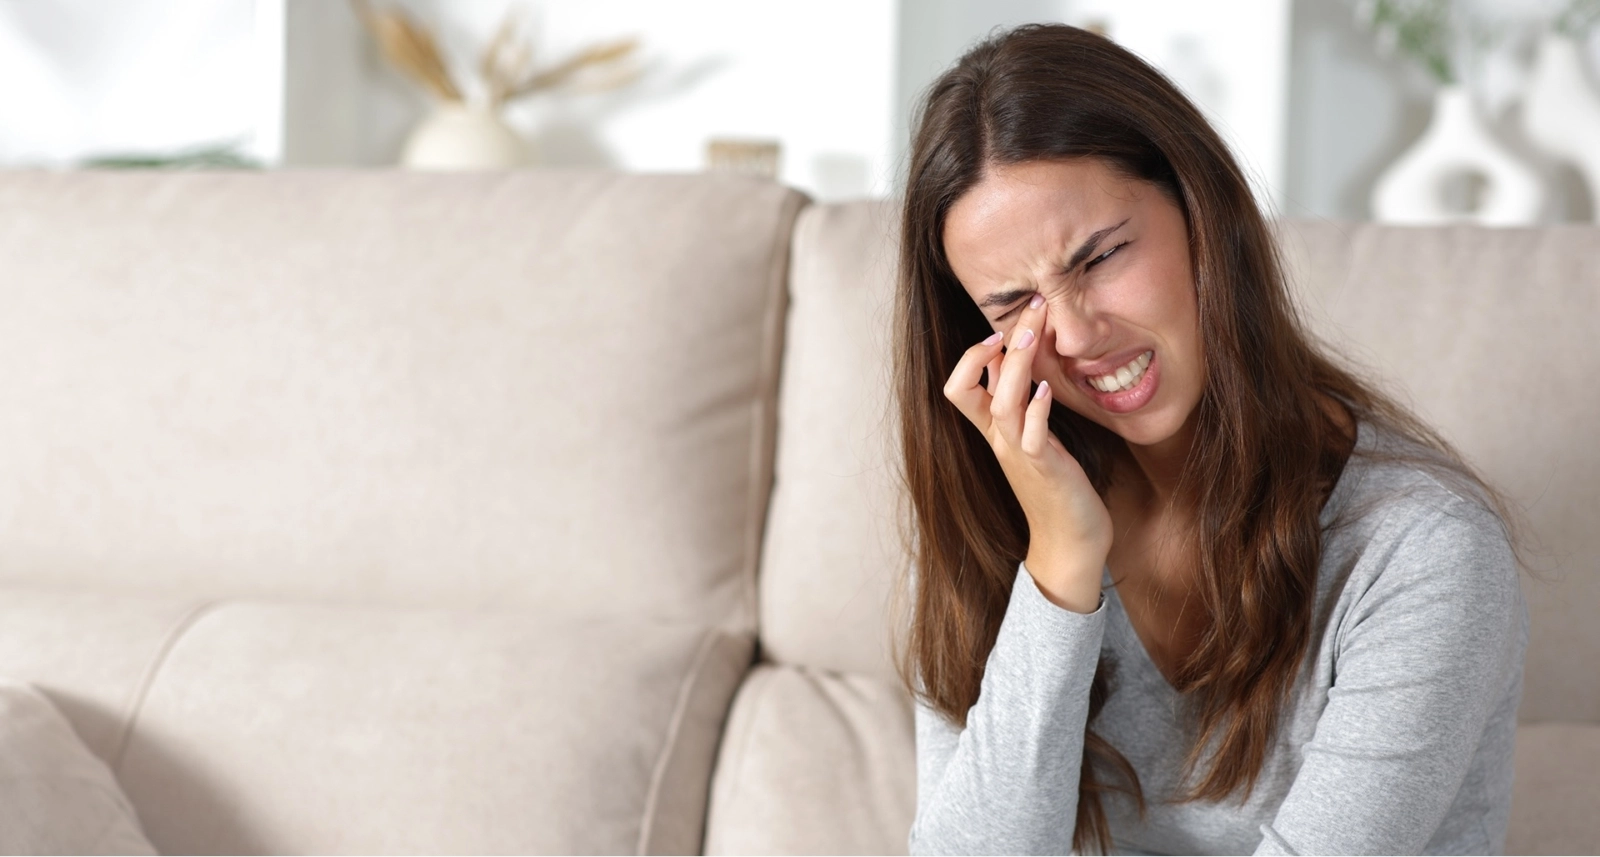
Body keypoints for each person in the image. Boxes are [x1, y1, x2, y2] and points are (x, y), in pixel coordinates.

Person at [891, 23, 1531, 856]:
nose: (1076, 336)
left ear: (1204, 211)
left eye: (1100, 256)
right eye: (1014, 304)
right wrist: (1058, 563)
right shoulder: (1008, 508)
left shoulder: (1421, 550)